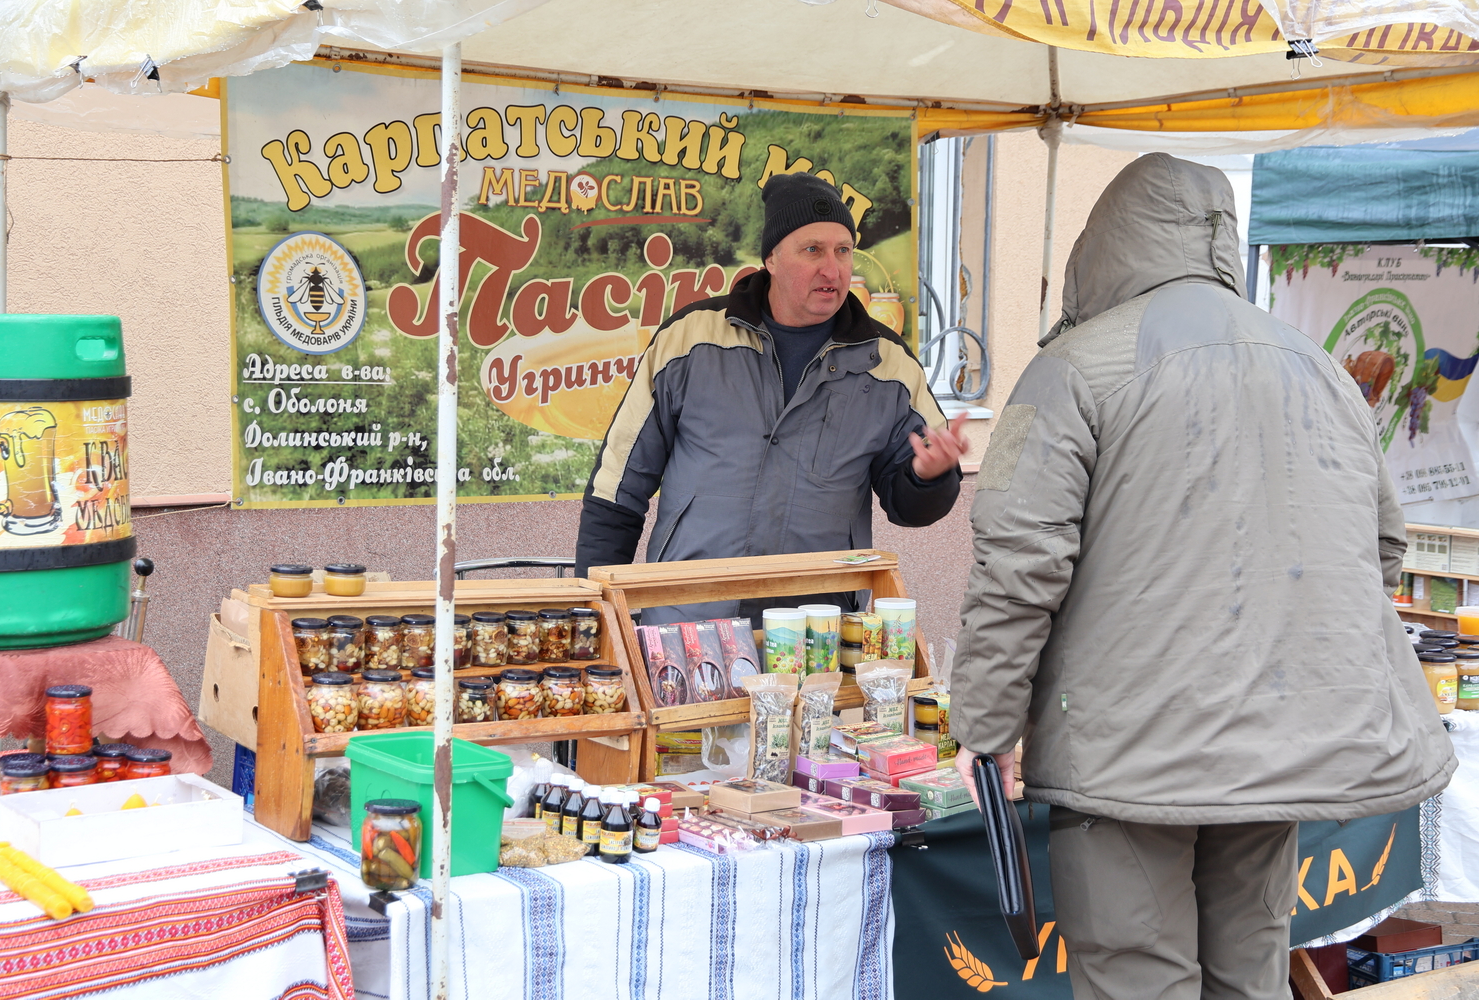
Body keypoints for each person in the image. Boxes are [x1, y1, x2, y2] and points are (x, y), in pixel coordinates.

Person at [951, 153, 1455, 999]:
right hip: (1279, 746)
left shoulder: (1071, 368)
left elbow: (1016, 566)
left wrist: (985, 723)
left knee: (1137, 977)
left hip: (1128, 755)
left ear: (1103, 243)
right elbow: (1380, 552)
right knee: (1250, 972)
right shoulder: (1321, 367)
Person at [575, 172, 967, 621]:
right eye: (812, 250)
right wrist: (595, 614)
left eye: (843, 251)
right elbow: (617, 487)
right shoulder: (689, 339)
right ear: (771, 259)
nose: (832, 268)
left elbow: (910, 507)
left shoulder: (890, 365)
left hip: (817, 633)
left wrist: (930, 475)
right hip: (687, 625)